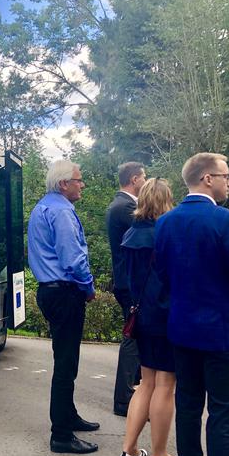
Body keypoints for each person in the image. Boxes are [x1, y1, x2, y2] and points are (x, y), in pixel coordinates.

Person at [155, 152, 229, 456]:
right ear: (207, 179)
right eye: (226, 176)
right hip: (224, 336)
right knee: (223, 418)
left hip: (183, 332)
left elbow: (162, 275)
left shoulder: (165, 222)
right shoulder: (228, 221)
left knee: (187, 407)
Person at [28, 159, 99, 454]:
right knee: (66, 364)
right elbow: (73, 259)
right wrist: (89, 287)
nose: (82, 185)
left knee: (65, 360)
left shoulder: (43, 207)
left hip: (50, 292)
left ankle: (68, 416)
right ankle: (61, 435)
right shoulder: (61, 211)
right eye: (79, 180)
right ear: (63, 184)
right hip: (65, 293)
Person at [118, 178, 180, 456]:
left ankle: (129, 449)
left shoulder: (131, 233)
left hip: (140, 316)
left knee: (145, 384)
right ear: (167, 201)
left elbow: (127, 281)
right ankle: (160, 454)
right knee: (165, 386)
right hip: (165, 318)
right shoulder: (167, 234)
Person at [106, 161, 146, 417]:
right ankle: (126, 398)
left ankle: (138, 392)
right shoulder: (127, 207)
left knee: (136, 334)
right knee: (133, 335)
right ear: (134, 179)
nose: (146, 181)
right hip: (130, 282)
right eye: (144, 177)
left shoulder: (118, 204)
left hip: (124, 280)